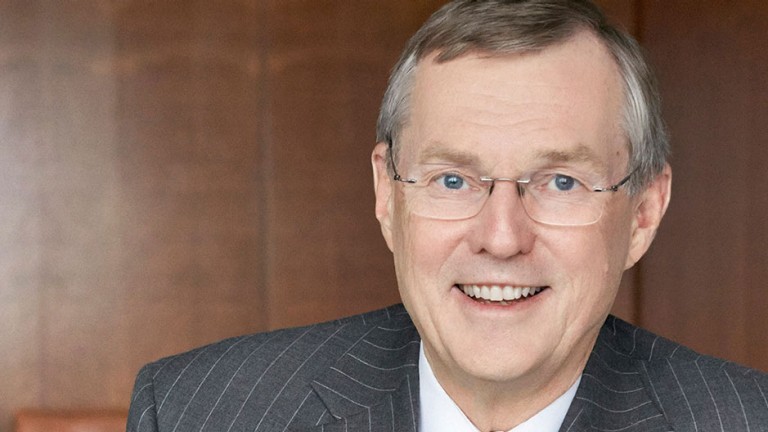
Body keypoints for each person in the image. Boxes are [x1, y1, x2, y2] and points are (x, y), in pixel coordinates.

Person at [127, 1, 768, 431]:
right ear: (388, 195)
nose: (501, 237)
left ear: (644, 213)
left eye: (561, 181)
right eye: (453, 180)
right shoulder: (198, 413)